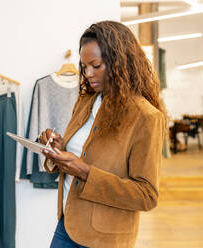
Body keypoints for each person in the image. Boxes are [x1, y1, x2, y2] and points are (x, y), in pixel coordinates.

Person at [39, 20, 166, 248]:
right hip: (68, 225)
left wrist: (86, 173)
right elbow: (81, 156)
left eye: (96, 65)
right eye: (84, 66)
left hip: (105, 238)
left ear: (120, 62)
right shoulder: (86, 100)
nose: (87, 73)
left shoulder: (145, 117)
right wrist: (59, 150)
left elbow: (146, 195)